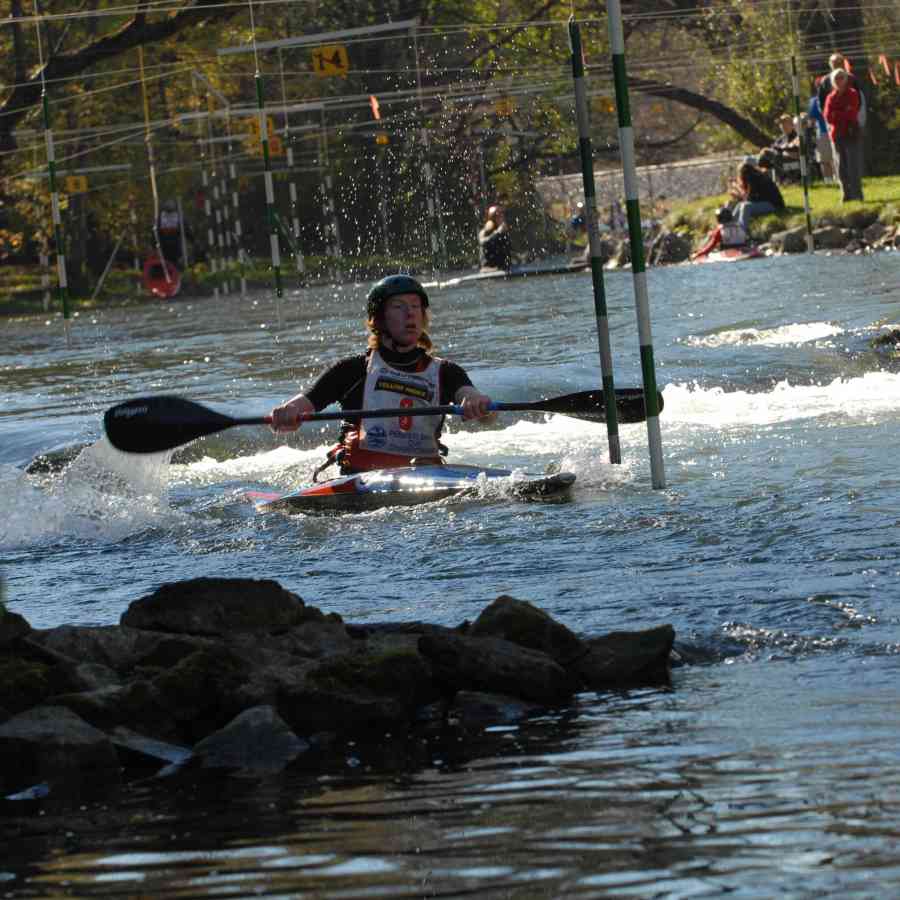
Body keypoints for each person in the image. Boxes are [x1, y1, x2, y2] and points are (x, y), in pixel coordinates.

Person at [269, 274, 494, 477]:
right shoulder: (352, 370)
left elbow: (480, 408)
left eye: (416, 307)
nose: (410, 314)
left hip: (424, 476)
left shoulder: (446, 372)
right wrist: (289, 413)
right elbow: (304, 404)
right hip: (358, 477)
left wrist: (478, 404)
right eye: (399, 307)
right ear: (378, 320)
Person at [823, 68, 864, 203]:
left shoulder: (852, 93)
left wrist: (837, 113)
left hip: (851, 133)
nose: (839, 81)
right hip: (837, 135)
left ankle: (857, 195)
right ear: (833, 82)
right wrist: (842, 112)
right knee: (840, 166)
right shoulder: (830, 97)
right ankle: (846, 195)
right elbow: (828, 116)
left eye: (842, 78)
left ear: (846, 80)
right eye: (836, 78)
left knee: (853, 166)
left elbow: (852, 113)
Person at [729, 158, 785, 231]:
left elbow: (750, 198)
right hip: (765, 202)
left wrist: (738, 191)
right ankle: (729, 227)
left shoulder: (754, 178)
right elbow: (752, 197)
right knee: (740, 205)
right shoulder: (755, 176)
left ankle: (741, 231)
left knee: (746, 206)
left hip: (773, 204)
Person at [808, 93, 834, 182]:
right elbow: (812, 118)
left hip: (830, 131)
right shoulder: (815, 100)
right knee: (825, 160)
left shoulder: (835, 96)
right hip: (823, 132)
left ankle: (836, 179)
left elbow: (811, 119)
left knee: (830, 160)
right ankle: (829, 181)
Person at [769, 114, 802, 184]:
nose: (782, 126)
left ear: (791, 125)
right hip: (784, 163)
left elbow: (799, 153)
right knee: (769, 157)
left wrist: (785, 151)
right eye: (781, 124)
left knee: (777, 158)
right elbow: (773, 148)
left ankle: (785, 180)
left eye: (784, 123)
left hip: (798, 164)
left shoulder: (797, 136)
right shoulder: (781, 139)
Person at [478, 204, 512, 271]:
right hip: (489, 267)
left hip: (503, 266)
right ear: (492, 218)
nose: (501, 217)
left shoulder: (503, 231)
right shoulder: (485, 231)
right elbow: (483, 243)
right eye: (498, 216)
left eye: (502, 215)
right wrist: (497, 233)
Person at [156, 199, 186, 268]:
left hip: (175, 245)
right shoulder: (160, 217)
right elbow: (156, 231)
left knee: (175, 263)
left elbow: (185, 228)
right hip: (164, 246)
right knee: (165, 264)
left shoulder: (178, 216)